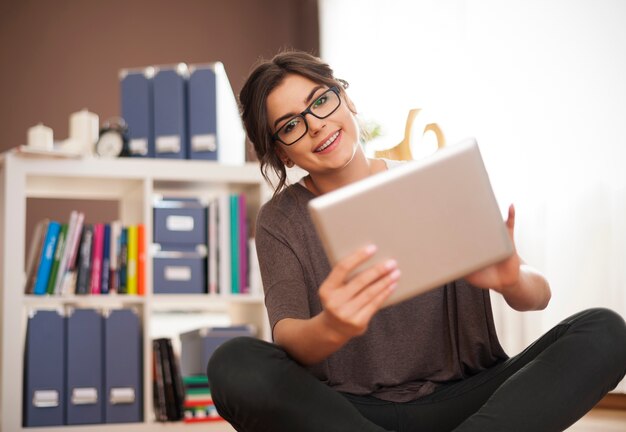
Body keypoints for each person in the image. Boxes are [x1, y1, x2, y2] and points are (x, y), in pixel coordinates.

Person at [207, 50, 626, 432]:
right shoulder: (281, 219)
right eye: (291, 125)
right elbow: (289, 338)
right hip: (349, 414)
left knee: (606, 330)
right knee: (233, 363)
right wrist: (332, 326)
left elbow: (538, 297)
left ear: (347, 100)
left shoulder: (437, 181)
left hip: (467, 400)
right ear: (281, 153)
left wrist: (510, 277)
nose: (315, 124)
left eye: (320, 101)